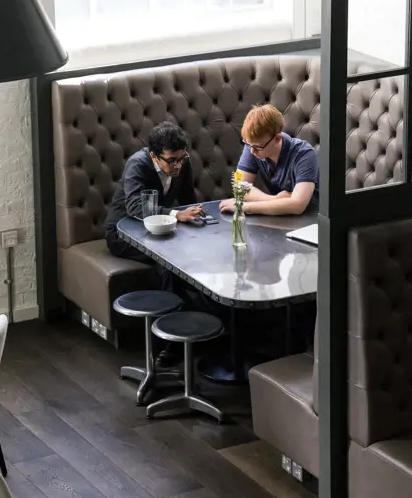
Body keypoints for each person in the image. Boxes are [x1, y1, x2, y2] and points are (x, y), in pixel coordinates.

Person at [104, 121, 206, 365]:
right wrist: (175, 215)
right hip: (125, 232)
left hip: (162, 230)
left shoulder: (183, 162)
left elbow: (186, 199)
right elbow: (135, 207)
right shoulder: (137, 164)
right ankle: (173, 342)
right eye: (172, 161)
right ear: (153, 155)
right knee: (168, 265)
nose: (178, 165)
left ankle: (204, 327)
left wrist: (195, 219)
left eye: (182, 158)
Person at [220, 104, 318, 216]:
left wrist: (242, 206)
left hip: (312, 220)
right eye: (248, 144)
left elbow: (297, 205)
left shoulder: (304, 154)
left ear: (277, 139)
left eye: (258, 147)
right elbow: (239, 187)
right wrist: (274, 199)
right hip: (280, 218)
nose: (252, 151)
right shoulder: (252, 145)